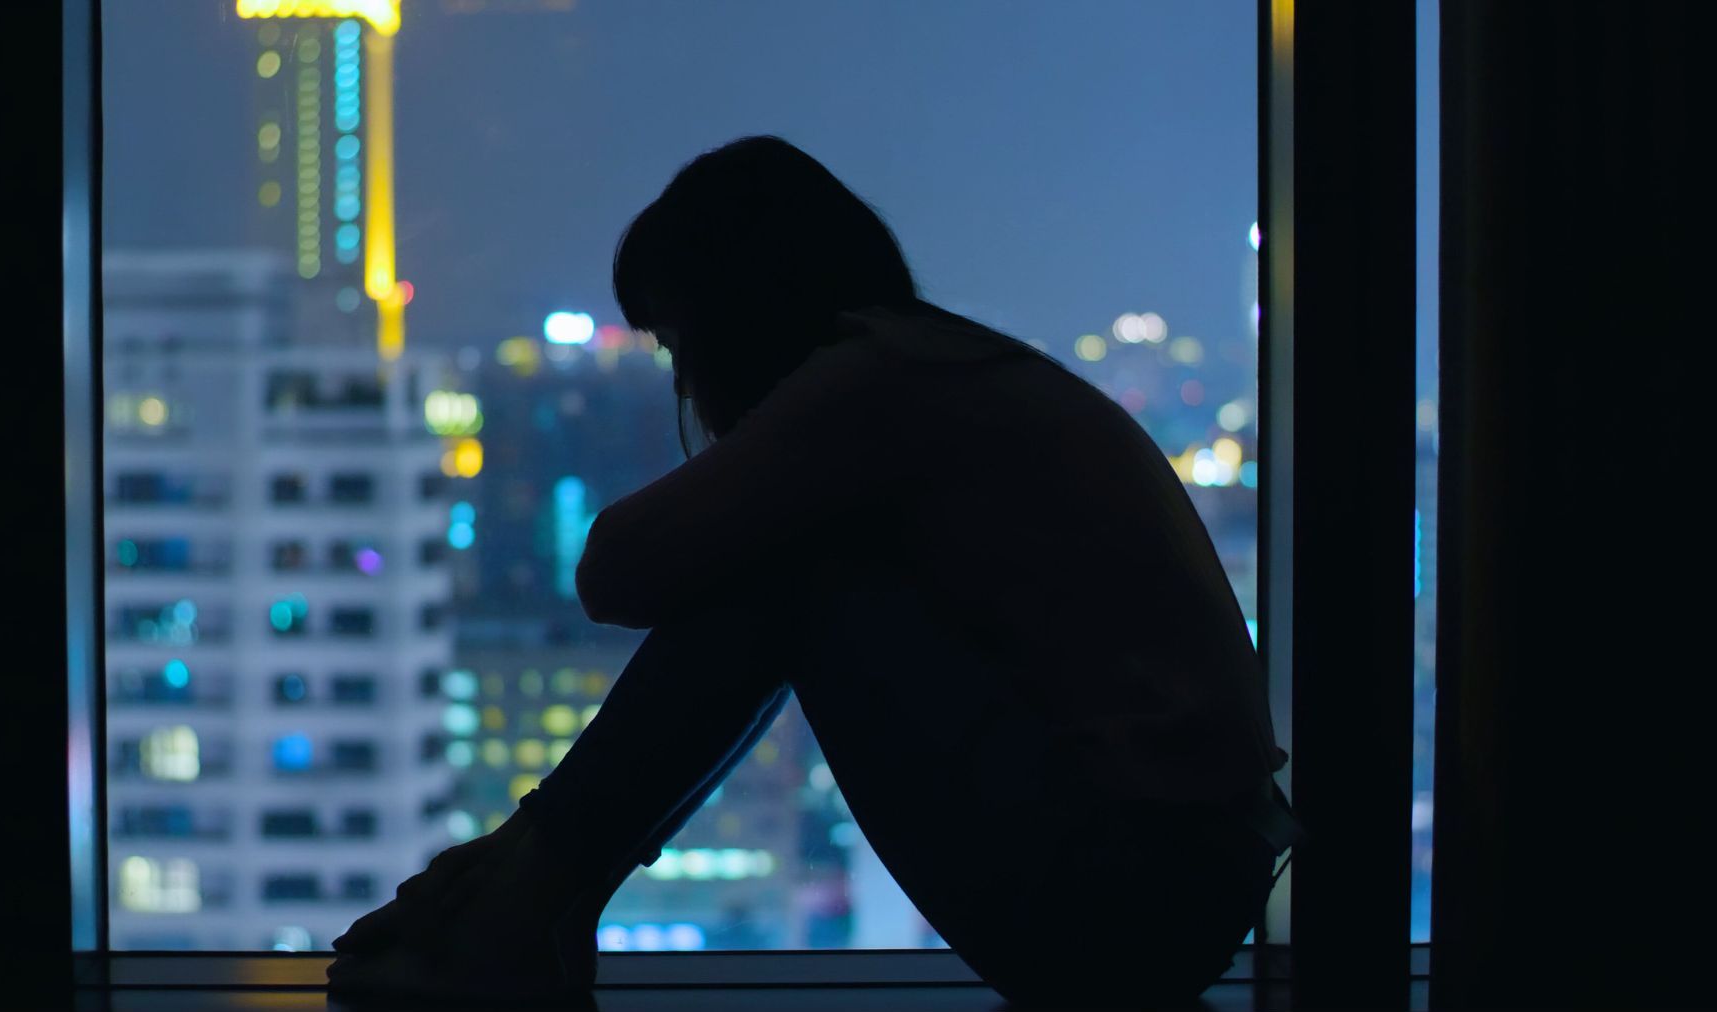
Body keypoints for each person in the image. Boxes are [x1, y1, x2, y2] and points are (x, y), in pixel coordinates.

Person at [327, 135, 1295, 1009]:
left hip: (1132, 890)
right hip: (1181, 883)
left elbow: (614, 570)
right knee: (793, 555)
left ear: (734, 312)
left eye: (678, 343)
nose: (683, 383)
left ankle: (522, 899)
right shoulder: (939, 368)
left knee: (792, 568)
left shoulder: (877, 384)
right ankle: (531, 892)